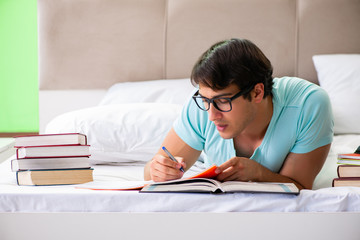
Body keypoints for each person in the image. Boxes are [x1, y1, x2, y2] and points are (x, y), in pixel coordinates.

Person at [144, 38, 333, 190]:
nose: (211, 116)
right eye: (205, 100)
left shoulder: (309, 104)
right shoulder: (201, 107)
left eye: (223, 101)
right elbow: (149, 172)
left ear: (257, 92)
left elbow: (300, 185)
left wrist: (259, 174)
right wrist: (159, 170)